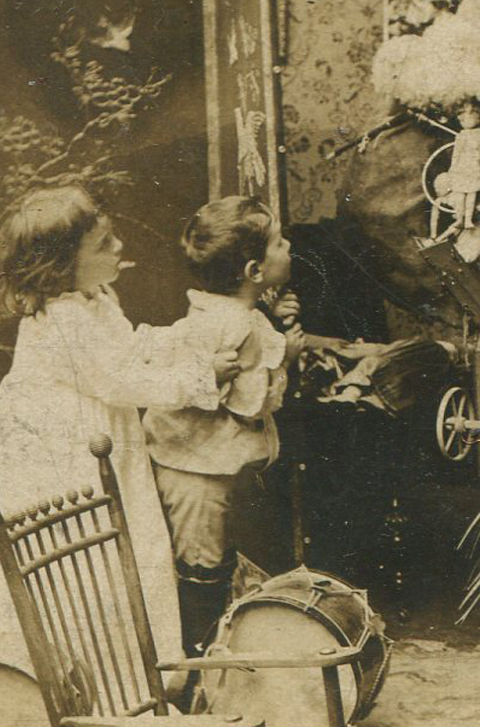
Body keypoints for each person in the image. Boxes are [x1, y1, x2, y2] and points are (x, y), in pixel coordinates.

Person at [0, 184, 241, 673]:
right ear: (60, 267)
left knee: (122, 541)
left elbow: (128, 347)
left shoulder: (94, 298)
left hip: (100, 433)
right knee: (84, 552)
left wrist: (187, 344)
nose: (119, 247)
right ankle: (96, 675)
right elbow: (124, 379)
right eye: (103, 244)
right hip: (63, 452)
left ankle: (137, 671)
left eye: (113, 236)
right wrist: (202, 375)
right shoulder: (63, 320)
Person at [143, 195, 305, 656]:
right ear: (254, 271)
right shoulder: (234, 326)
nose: (289, 247)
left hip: (203, 460)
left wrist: (274, 326)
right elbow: (250, 403)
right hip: (193, 469)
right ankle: (199, 661)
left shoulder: (226, 312)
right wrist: (285, 358)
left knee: (215, 555)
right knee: (201, 562)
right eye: (279, 242)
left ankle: (215, 648)